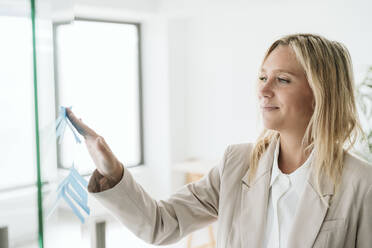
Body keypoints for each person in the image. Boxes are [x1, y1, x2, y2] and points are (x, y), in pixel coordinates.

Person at [66, 33, 372, 247]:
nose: (263, 91)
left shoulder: (361, 183)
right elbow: (161, 224)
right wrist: (113, 171)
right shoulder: (236, 164)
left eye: (282, 79)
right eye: (263, 77)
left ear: (321, 93)